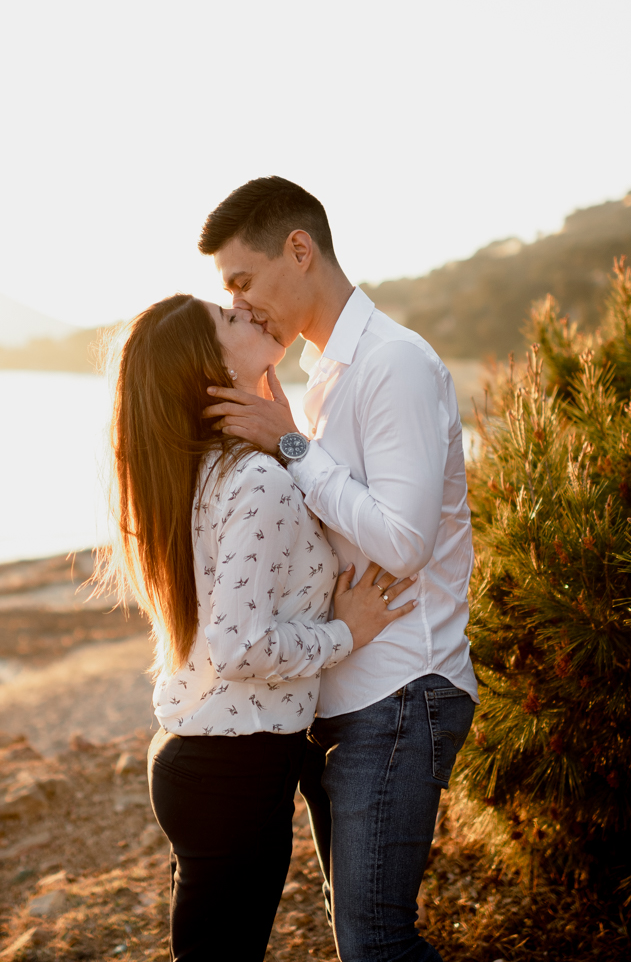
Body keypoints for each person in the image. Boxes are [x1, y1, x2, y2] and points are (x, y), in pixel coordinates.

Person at [199, 177, 478, 962]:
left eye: (242, 282)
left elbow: (402, 542)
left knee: (376, 945)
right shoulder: (324, 377)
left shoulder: (393, 363)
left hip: (401, 687)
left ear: (301, 249)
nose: (243, 305)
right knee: (359, 934)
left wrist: (290, 445)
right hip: (348, 690)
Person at [99, 293, 418, 962]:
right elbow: (239, 645)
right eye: (228, 318)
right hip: (230, 772)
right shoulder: (253, 480)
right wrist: (346, 635)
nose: (246, 311)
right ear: (209, 371)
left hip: (210, 763)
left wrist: (286, 429)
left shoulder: (210, 470)